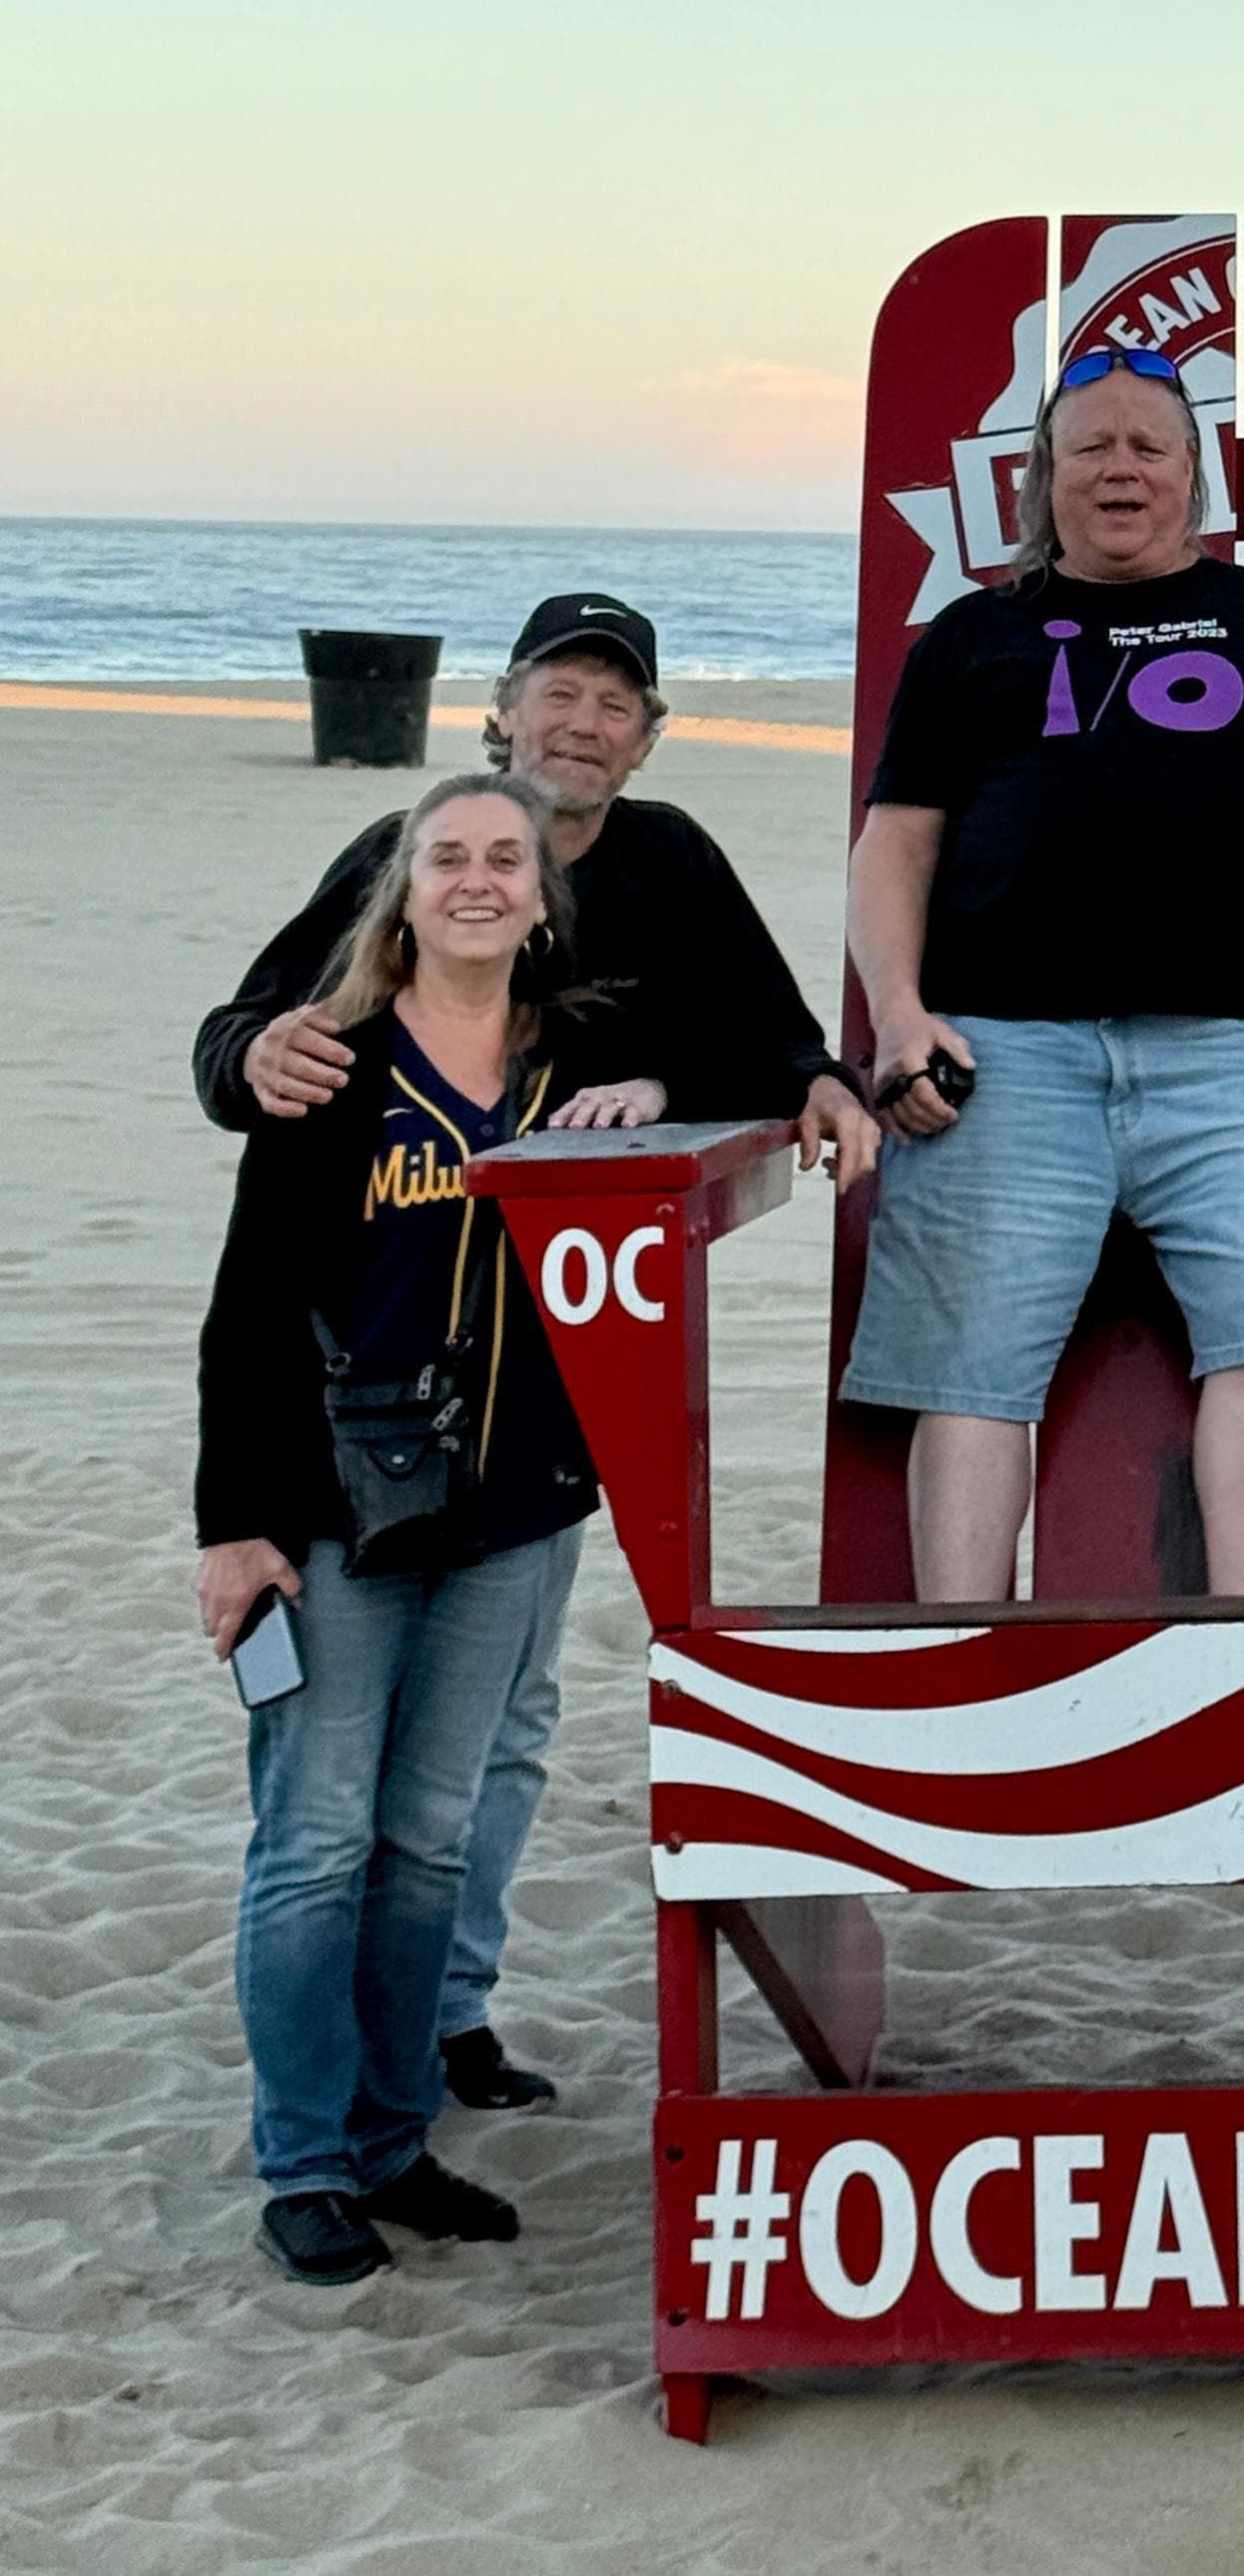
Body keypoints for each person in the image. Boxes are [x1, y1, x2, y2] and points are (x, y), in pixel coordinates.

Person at [192, 592, 878, 2112]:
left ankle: (445, 2016)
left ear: (646, 736)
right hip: (357, 1419)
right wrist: (246, 1055)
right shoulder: (401, 870)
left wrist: (704, 1075)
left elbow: (766, 1036)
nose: (581, 722)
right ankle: (340, 2108)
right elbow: (248, 1040)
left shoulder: (663, 863)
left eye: (612, 702)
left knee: (494, 1743)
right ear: (498, 712)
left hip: (545, 1411)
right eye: (555, 693)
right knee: (333, 1804)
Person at [840, 347, 1244, 1600]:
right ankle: (964, 1656)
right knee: (971, 1370)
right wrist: (897, 1013)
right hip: (1003, 1048)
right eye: (1088, 446)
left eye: (1147, 445)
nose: (1118, 467)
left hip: (1231, 1048)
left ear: (1192, 478)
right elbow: (895, 844)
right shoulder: (971, 637)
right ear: (1044, 480)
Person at [194, 773, 666, 2285]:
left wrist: (653, 1094)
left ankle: (397, 2137)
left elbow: (745, 1061)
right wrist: (235, 1528)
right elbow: (249, 1310)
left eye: (503, 858)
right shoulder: (336, 1066)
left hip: (510, 1510)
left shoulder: (580, 1053)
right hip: (336, 1510)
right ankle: (309, 2159)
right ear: (401, 891)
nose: (475, 878)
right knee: (317, 1838)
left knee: (426, 1841)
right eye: (445, 856)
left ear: (543, 895)